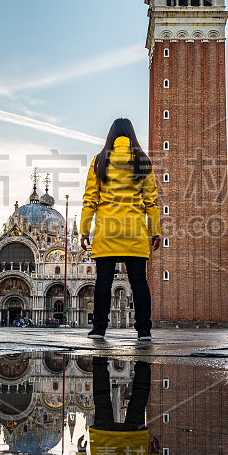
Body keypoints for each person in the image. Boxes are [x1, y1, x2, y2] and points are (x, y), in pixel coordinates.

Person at [79, 117, 161, 341]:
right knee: (139, 281)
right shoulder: (143, 161)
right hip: (134, 232)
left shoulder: (99, 161)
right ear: (132, 136)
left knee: (103, 282)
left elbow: (90, 200)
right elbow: (151, 202)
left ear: (111, 136)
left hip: (107, 231)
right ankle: (144, 331)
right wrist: (155, 231)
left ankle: (99, 328)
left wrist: (84, 229)